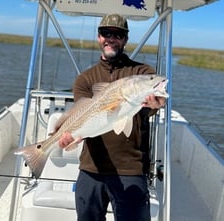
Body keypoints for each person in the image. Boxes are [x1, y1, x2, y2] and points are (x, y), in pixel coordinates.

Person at [59, 14, 166, 221]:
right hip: (92, 167)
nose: (111, 38)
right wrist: (70, 137)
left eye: (117, 34)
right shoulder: (85, 79)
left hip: (131, 168)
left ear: (125, 39)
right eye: (105, 33)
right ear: (99, 37)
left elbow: (154, 104)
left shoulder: (142, 72)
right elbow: (83, 117)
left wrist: (157, 104)